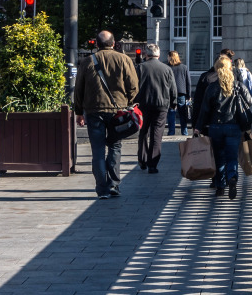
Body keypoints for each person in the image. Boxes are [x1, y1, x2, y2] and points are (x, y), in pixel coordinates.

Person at [73, 30, 139, 199]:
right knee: (115, 146)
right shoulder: (124, 59)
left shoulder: (87, 61)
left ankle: (102, 188)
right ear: (114, 43)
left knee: (97, 150)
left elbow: (78, 89)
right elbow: (133, 85)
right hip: (119, 110)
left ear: (96, 44)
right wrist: (129, 103)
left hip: (94, 110)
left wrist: (79, 112)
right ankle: (115, 184)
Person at [195, 55, 252, 200]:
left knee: (219, 157)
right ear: (230, 68)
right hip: (233, 126)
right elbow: (250, 101)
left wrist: (198, 127)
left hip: (216, 127)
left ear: (217, 68)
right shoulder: (238, 85)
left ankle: (220, 187)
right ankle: (232, 177)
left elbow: (205, 110)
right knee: (232, 157)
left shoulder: (212, 88)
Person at [135, 43, 177, 173]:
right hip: (161, 105)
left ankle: (142, 160)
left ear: (146, 54)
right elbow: (173, 89)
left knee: (143, 132)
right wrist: (173, 103)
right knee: (157, 135)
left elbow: (133, 87)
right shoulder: (166, 69)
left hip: (143, 105)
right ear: (158, 55)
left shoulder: (140, 68)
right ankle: (153, 164)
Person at [168, 50, 191, 135]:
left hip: (170, 93)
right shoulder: (184, 67)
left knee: (171, 113)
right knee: (182, 114)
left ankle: (171, 131)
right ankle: (184, 131)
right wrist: (189, 95)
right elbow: (188, 82)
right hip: (182, 92)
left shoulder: (168, 67)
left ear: (170, 57)